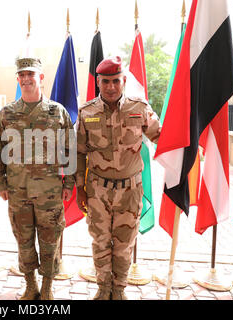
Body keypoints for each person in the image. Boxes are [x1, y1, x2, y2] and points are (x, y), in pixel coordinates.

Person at [75, 56, 161, 300]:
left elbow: (162, 137)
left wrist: (184, 147)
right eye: (105, 82)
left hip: (129, 191)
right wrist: (80, 188)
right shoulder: (86, 112)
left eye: (115, 81)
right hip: (97, 191)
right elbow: (80, 153)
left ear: (123, 81)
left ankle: (119, 290)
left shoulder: (140, 108)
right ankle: (103, 289)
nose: (111, 87)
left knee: (124, 244)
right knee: (100, 242)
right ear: (98, 83)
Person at [0, 57, 75, 300]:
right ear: (18, 79)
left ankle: (48, 286)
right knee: (24, 239)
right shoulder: (7, 113)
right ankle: (31, 285)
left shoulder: (57, 112)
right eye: (22, 75)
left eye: (31, 74)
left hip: (50, 192)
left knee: (50, 241)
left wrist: (69, 183)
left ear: (41, 77)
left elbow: (70, 149)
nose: (27, 79)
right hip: (18, 191)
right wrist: (1, 183)